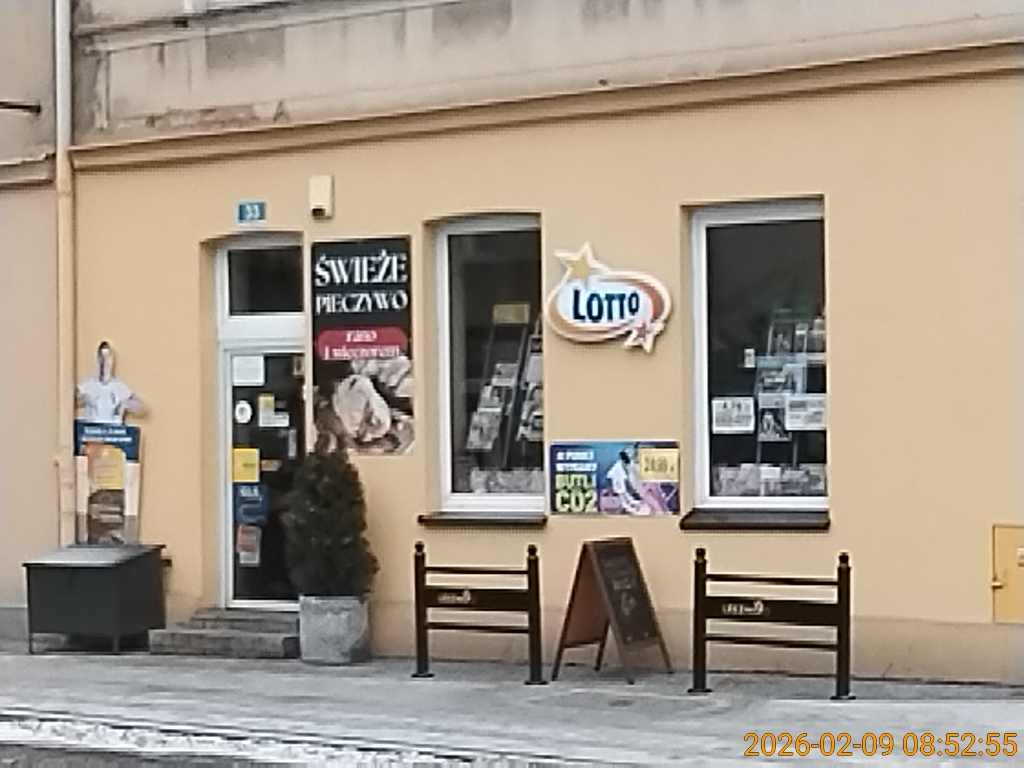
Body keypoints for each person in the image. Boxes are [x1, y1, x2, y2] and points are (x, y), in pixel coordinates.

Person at [76, 341, 144, 424]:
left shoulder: (119, 386)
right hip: (92, 429)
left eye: (107, 357)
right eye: (101, 357)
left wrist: (124, 405)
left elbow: (140, 408)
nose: (104, 362)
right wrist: (84, 399)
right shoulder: (87, 385)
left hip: (113, 429)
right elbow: (70, 401)